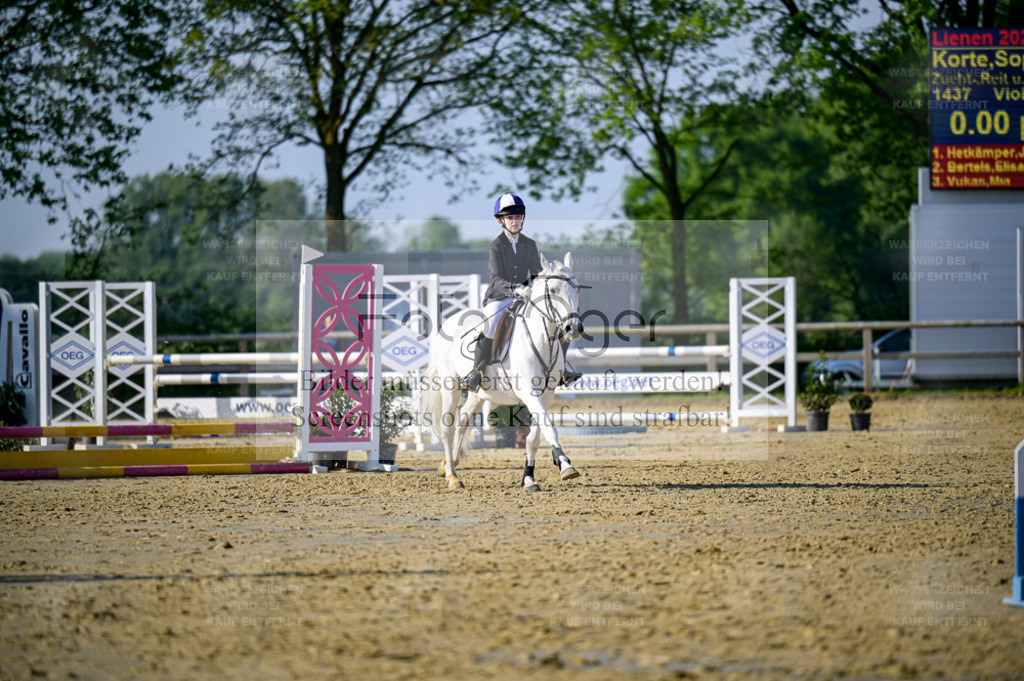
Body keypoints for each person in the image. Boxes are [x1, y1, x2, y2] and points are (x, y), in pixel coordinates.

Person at [460, 193, 583, 391]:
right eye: (510, 217)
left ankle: (562, 367)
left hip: (526, 296)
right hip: (499, 297)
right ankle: (477, 371)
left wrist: (538, 284)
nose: (515, 221)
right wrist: (517, 289)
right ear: (501, 221)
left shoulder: (530, 244)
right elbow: (496, 279)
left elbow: (536, 272)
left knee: (558, 323)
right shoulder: (496, 246)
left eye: (518, 216)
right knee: (490, 324)